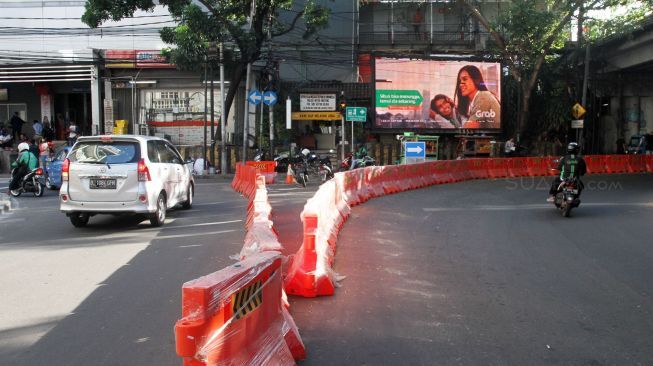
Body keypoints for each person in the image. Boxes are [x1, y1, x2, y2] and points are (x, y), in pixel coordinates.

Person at [454, 65, 501, 129]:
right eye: (459, 81)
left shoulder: (483, 97)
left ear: (476, 79)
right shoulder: (475, 101)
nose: (461, 84)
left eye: (465, 79)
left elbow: (468, 130)